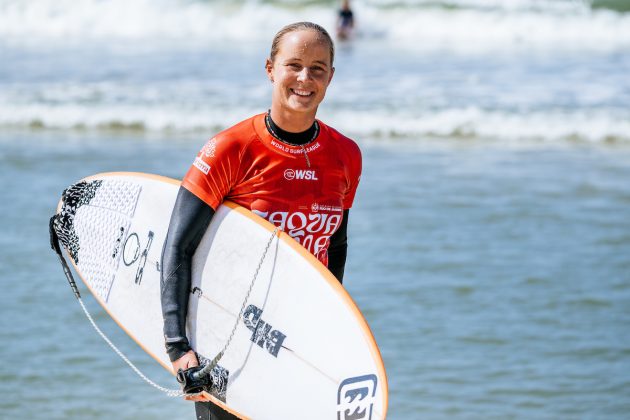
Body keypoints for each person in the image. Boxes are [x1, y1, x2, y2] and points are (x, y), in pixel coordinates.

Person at [160, 21, 362, 420]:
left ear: (331, 78)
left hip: (299, 340)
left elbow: (335, 246)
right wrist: (177, 347)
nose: (305, 78)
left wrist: (331, 327)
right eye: (294, 65)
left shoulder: (345, 155)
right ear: (270, 69)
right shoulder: (230, 149)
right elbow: (178, 247)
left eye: (318, 68)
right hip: (230, 339)